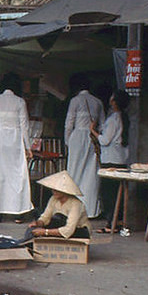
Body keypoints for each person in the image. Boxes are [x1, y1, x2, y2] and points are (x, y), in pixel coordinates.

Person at [0, 73, 33, 218]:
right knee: (17, 175)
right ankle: (18, 212)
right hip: (15, 140)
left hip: (0, 139)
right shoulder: (20, 102)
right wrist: (28, 147)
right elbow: (25, 126)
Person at [64, 74, 104, 218]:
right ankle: (90, 210)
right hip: (92, 138)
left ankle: (71, 209)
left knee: (74, 172)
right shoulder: (98, 102)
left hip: (77, 138)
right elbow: (102, 124)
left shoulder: (75, 101)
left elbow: (69, 123)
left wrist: (68, 142)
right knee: (91, 173)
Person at [91, 90, 131, 233]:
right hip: (120, 159)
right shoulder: (124, 117)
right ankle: (117, 221)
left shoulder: (114, 119)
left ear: (114, 102)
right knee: (116, 192)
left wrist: (93, 131)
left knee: (108, 193)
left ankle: (110, 224)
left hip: (110, 160)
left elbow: (105, 140)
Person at [27, 171, 91, 240]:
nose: (54, 191)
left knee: (58, 219)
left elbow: (69, 229)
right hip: (61, 226)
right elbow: (46, 216)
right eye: (53, 189)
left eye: (57, 190)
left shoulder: (76, 204)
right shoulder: (53, 199)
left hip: (79, 230)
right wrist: (38, 223)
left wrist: (45, 232)